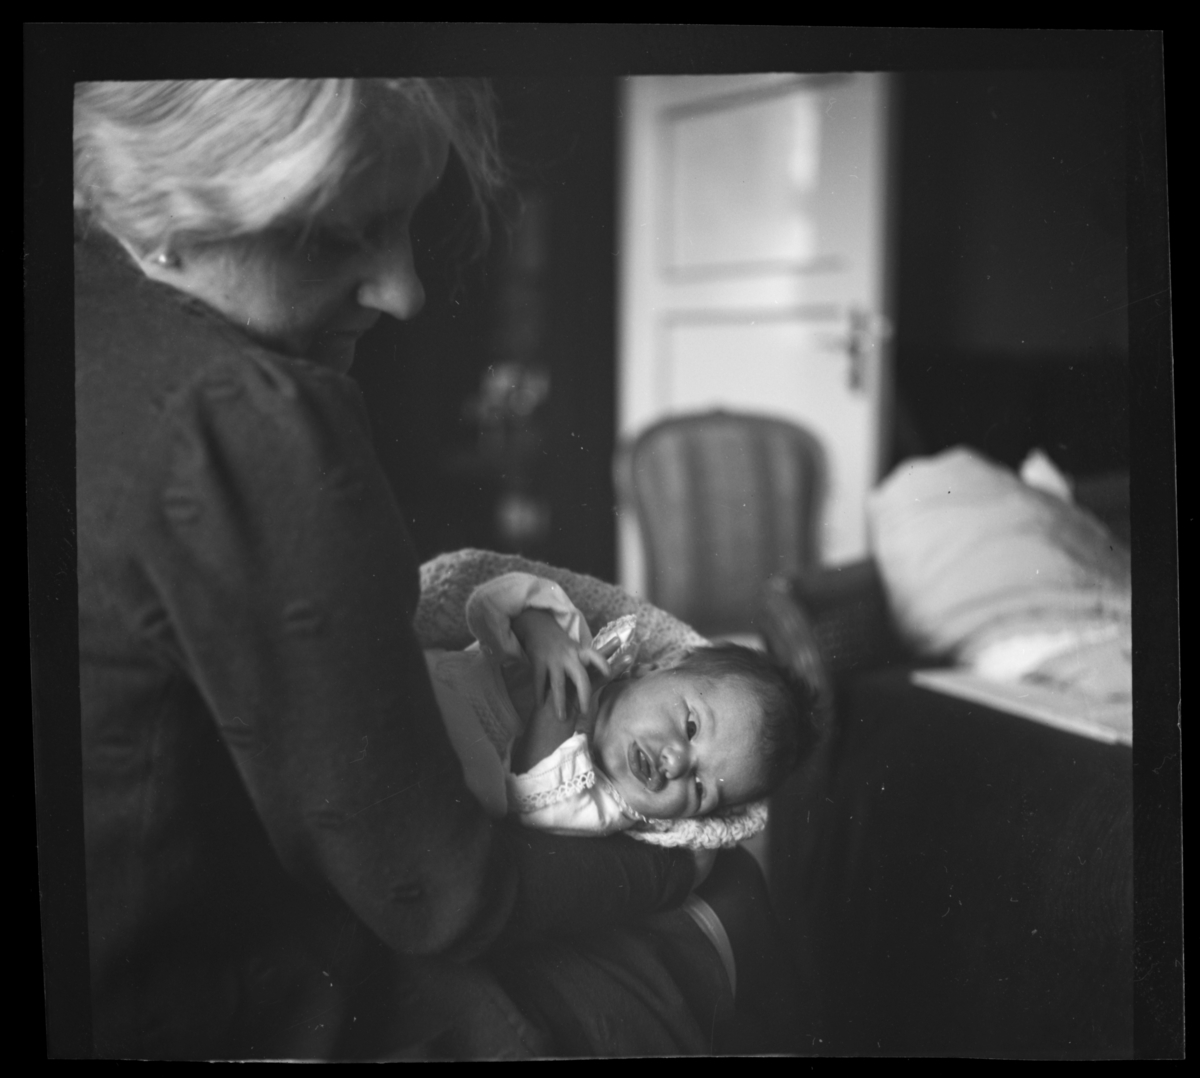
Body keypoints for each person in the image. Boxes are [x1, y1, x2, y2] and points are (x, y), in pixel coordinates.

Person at [73, 78, 805, 1059]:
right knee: (742, 908)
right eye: (343, 230)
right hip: (187, 992)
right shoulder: (249, 417)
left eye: (406, 221)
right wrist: (678, 870)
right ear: (175, 217)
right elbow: (441, 897)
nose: (406, 290)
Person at [425, 572, 814, 845]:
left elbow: (530, 803)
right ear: (654, 669)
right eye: (692, 727)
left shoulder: (605, 805)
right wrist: (539, 631)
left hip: (442, 766)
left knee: (488, 792)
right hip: (426, 678)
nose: (678, 764)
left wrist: (563, 707)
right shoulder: (579, 644)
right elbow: (488, 603)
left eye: (699, 789)